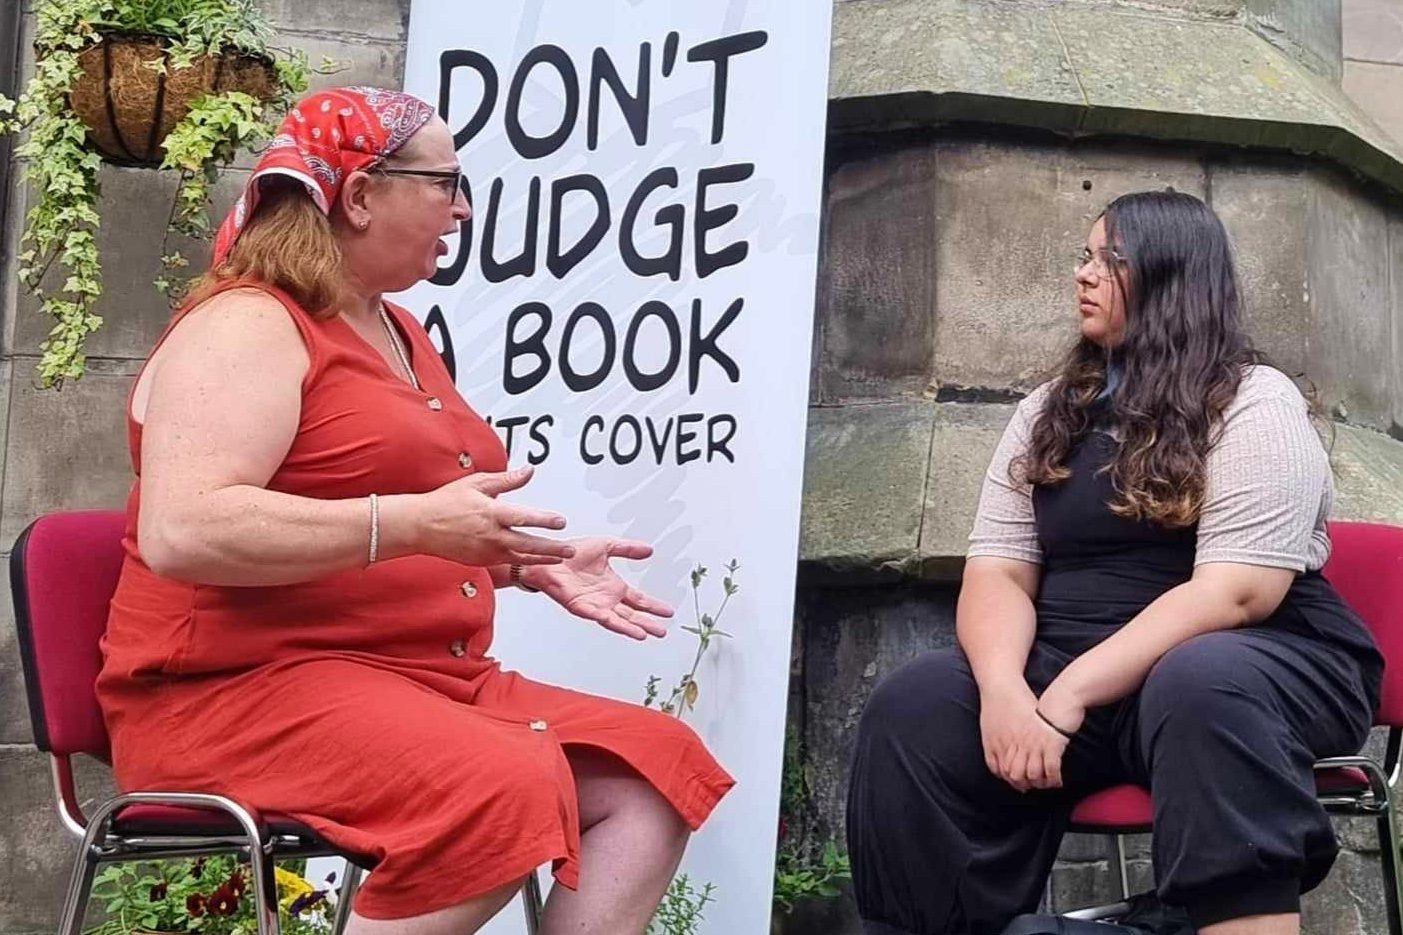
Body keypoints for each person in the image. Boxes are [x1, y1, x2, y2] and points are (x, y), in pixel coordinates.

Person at [96, 86, 734, 935]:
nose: (463, 208)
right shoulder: (247, 323)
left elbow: (398, 512)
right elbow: (187, 530)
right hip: (233, 694)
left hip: (417, 682)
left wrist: (520, 560)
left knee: (650, 769)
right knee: (501, 787)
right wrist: (412, 525)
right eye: (446, 183)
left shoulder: (394, 326)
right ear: (361, 196)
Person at [844, 190, 1383, 935]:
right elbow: (997, 571)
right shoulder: (1045, 411)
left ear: (1171, 280)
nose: (1083, 275)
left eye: (1111, 260)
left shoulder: (1256, 402)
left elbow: (1234, 594)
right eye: (1084, 255)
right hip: (1077, 662)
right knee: (916, 705)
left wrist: (1068, 693)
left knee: (1201, 678)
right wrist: (1003, 690)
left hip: (1257, 657)